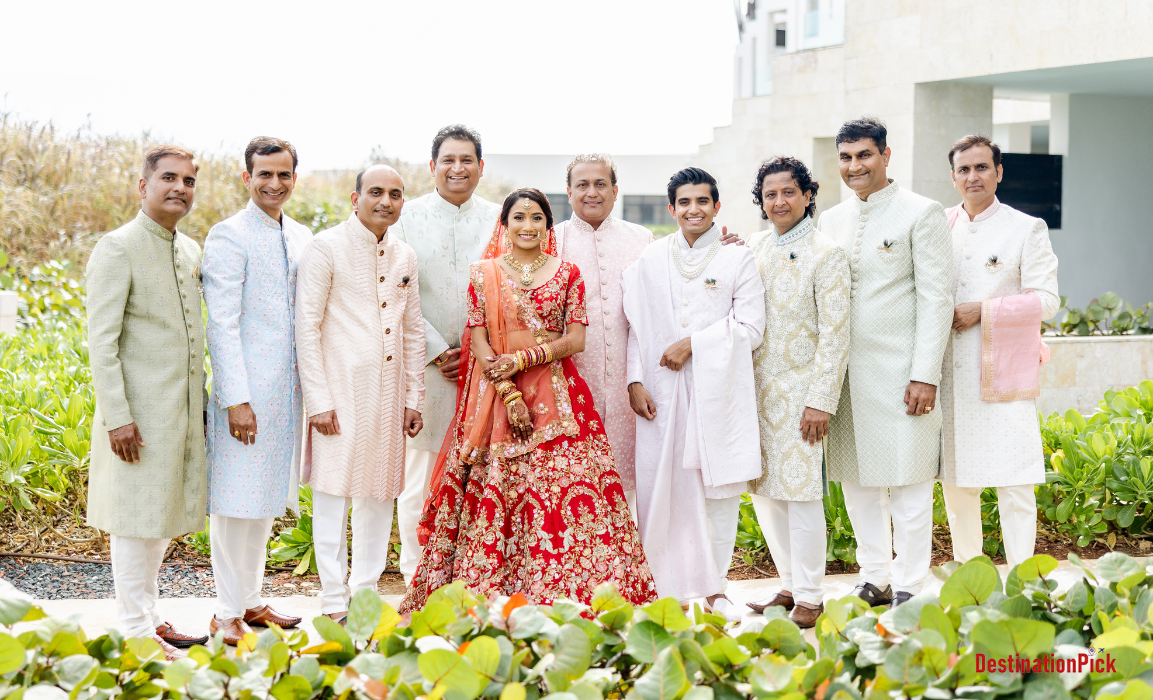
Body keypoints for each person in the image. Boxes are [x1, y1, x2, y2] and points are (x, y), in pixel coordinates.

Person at [399, 188, 656, 611]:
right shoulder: (484, 273)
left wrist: (524, 357)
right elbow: (478, 337)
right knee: (500, 490)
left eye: (536, 218)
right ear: (505, 224)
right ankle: (493, 592)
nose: (527, 226)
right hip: (496, 396)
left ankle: (562, 587)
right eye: (518, 218)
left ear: (547, 225)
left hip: (557, 392)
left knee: (561, 490)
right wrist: (507, 389)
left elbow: (575, 339)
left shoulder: (568, 272)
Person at [819, 117, 954, 607]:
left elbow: (938, 299)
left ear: (886, 155)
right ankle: (874, 575)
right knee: (857, 481)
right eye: (846, 157)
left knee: (910, 482)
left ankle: (911, 584)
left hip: (903, 374)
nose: (854, 166)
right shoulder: (830, 220)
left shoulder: (922, 212)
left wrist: (925, 374)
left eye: (864, 155)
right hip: (847, 377)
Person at [622, 167, 765, 621]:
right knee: (660, 491)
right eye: (684, 202)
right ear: (672, 209)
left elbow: (752, 328)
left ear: (717, 207)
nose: (693, 209)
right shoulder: (650, 259)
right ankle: (665, 587)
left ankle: (716, 590)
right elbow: (632, 326)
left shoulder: (736, 259)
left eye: (702, 201)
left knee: (717, 492)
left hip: (718, 392)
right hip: (659, 396)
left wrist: (693, 345)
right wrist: (633, 380)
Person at [85, 145, 210, 658]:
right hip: (135, 415)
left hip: (179, 411)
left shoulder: (189, 249)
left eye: (188, 180)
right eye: (168, 178)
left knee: (161, 515)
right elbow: (101, 342)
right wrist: (118, 417)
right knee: (136, 520)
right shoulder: (117, 247)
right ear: (143, 186)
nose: (180, 188)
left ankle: (150, 616)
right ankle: (135, 630)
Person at [295, 165, 425, 622]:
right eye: (375, 192)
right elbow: (305, 329)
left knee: (378, 496)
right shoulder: (325, 247)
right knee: (333, 497)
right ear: (355, 198)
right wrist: (319, 401)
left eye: (395, 194)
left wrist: (414, 397)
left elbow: (412, 332)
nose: (385, 201)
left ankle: (365, 593)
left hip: (389, 397)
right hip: (339, 394)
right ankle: (334, 600)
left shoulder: (404, 255)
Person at [201, 137, 311, 644]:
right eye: (264, 174)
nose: (274, 184)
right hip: (243, 397)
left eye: (283, 174)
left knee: (263, 500)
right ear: (247, 178)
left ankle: (250, 600)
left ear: (294, 178)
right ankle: (225, 610)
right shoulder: (229, 235)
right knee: (232, 502)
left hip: (285, 395)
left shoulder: (302, 235)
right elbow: (221, 324)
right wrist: (234, 399)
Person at [938, 135, 1058, 568]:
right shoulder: (938, 225)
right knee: (958, 485)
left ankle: (1024, 581)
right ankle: (971, 582)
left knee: (1015, 484)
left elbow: (1047, 300)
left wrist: (982, 311)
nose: (973, 176)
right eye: (964, 169)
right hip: (949, 374)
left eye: (982, 167)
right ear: (953, 177)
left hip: (1003, 373)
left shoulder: (1026, 228)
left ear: (999, 172)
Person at [742, 157, 850, 627]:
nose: (779, 201)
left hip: (804, 397)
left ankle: (811, 594)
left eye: (788, 192)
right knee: (765, 493)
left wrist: (821, 400)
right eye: (770, 194)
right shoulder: (754, 247)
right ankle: (788, 583)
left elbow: (836, 334)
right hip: (754, 394)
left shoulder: (826, 253)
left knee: (801, 495)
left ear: (808, 194)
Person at [391, 125, 500, 584]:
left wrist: (482, 353)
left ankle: (472, 577)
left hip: (489, 368)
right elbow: (394, 291)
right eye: (449, 160)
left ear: (480, 167)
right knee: (420, 476)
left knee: (481, 476)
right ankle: (419, 575)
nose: (458, 168)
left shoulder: (501, 217)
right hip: (425, 367)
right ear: (432, 166)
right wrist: (437, 351)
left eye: (467, 160)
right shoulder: (404, 217)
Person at [552, 154, 654, 518]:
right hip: (568, 383)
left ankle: (627, 567)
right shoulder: (552, 241)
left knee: (629, 479)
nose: (591, 192)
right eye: (582, 185)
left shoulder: (642, 240)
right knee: (570, 480)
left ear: (614, 190)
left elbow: (652, 316)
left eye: (599, 184)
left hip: (630, 383)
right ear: (568, 192)